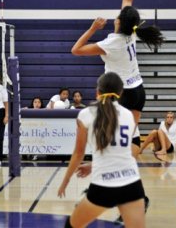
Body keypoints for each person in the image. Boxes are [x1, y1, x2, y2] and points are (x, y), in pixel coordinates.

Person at [71, 0, 163, 221]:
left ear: (118, 22)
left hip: (119, 96)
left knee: (112, 144)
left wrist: (92, 28)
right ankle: (114, 188)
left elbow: (75, 50)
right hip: (138, 91)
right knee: (124, 147)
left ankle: (122, 192)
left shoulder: (111, 41)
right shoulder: (132, 30)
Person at [58, 72, 145, 228]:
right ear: (121, 93)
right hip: (131, 182)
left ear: (97, 91)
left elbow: (79, 154)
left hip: (103, 184)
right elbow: (118, 153)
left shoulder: (86, 114)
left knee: (72, 226)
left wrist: (65, 181)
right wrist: (93, 166)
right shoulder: (128, 115)